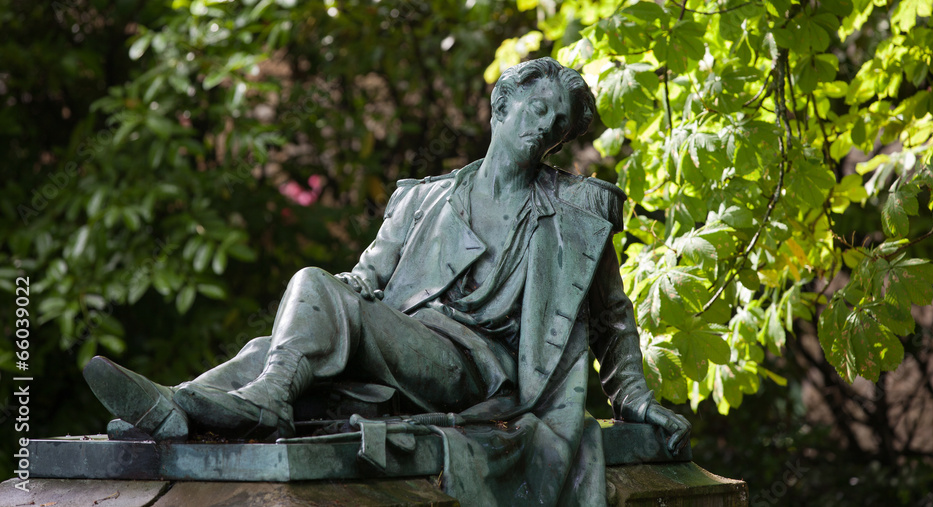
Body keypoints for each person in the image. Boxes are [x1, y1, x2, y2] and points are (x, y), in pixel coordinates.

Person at [85, 57, 691, 505]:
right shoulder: (424, 201)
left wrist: (633, 399)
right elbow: (365, 279)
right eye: (538, 110)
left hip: (477, 369)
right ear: (502, 107)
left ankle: (258, 401)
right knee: (278, 344)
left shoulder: (572, 215)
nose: (547, 129)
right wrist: (327, 310)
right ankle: (179, 408)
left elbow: (613, 319)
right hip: (404, 341)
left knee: (313, 295)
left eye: (559, 125)